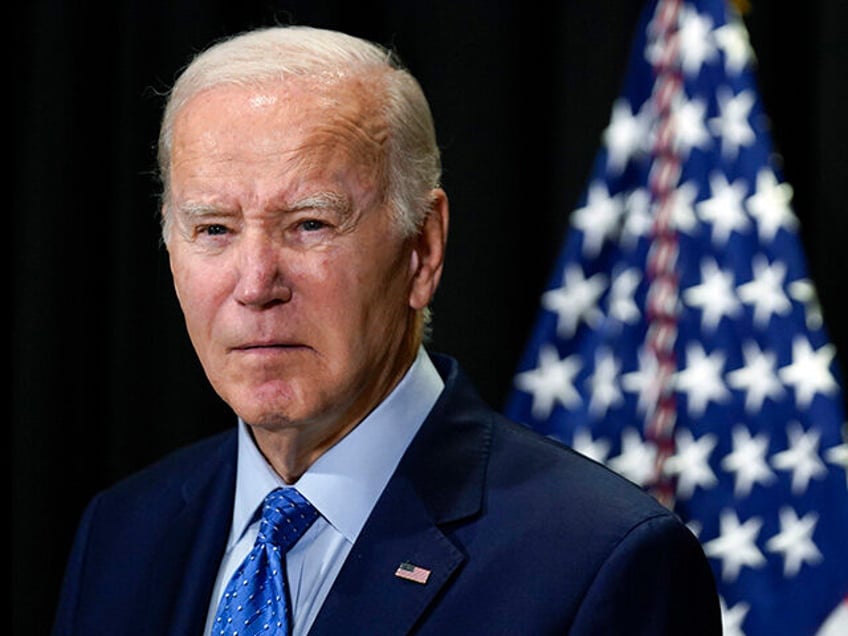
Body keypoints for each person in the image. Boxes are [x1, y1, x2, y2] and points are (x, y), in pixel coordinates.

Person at [51, 25, 722, 635]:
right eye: (214, 230)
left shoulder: (600, 562)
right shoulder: (122, 534)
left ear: (422, 250)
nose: (255, 284)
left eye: (310, 224)